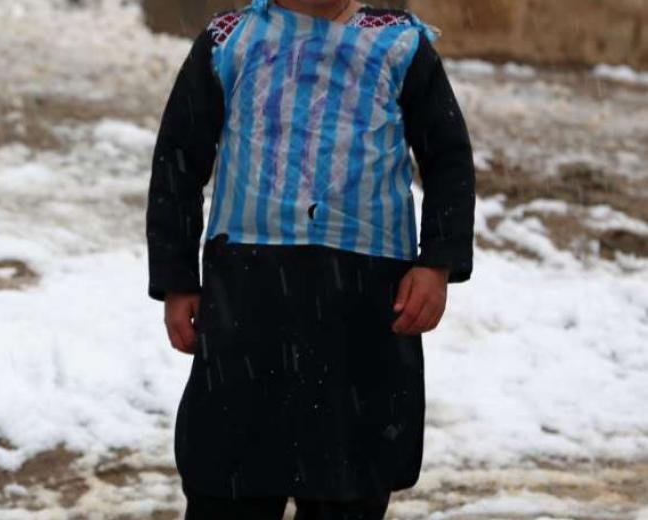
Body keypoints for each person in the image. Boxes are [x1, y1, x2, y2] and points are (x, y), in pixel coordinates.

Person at [145, 0, 476, 518]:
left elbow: (449, 157)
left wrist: (437, 263)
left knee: (349, 481)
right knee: (229, 479)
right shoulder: (230, 41)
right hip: (247, 302)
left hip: (364, 306)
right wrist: (177, 279)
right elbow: (178, 163)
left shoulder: (398, 46)